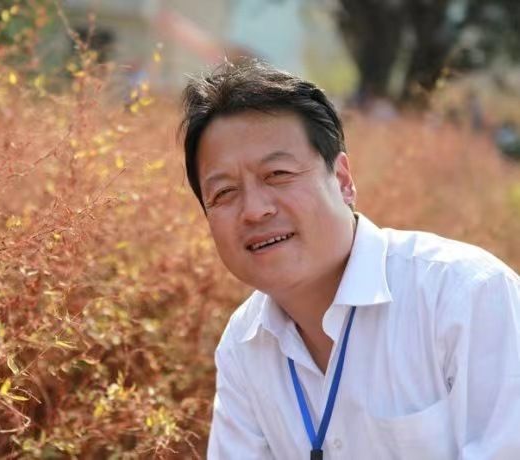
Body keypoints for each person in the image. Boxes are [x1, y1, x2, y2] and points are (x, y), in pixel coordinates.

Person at [179, 59, 520, 459]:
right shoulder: (243, 345)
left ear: (342, 180)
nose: (255, 210)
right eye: (224, 193)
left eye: (278, 174)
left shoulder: (464, 295)